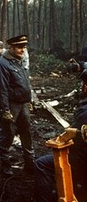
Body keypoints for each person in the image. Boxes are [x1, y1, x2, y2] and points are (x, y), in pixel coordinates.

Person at [34, 69, 87, 202]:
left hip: (82, 158)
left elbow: (78, 142)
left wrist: (72, 135)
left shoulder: (85, 111)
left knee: (41, 164)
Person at [0, 34, 34, 176]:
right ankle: (5, 165)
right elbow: (2, 89)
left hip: (23, 104)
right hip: (11, 105)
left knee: (26, 132)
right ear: (11, 47)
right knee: (8, 134)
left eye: (23, 47)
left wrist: (29, 100)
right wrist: (5, 109)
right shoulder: (2, 64)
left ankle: (30, 163)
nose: (22, 50)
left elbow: (25, 83)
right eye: (19, 47)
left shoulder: (20, 61)